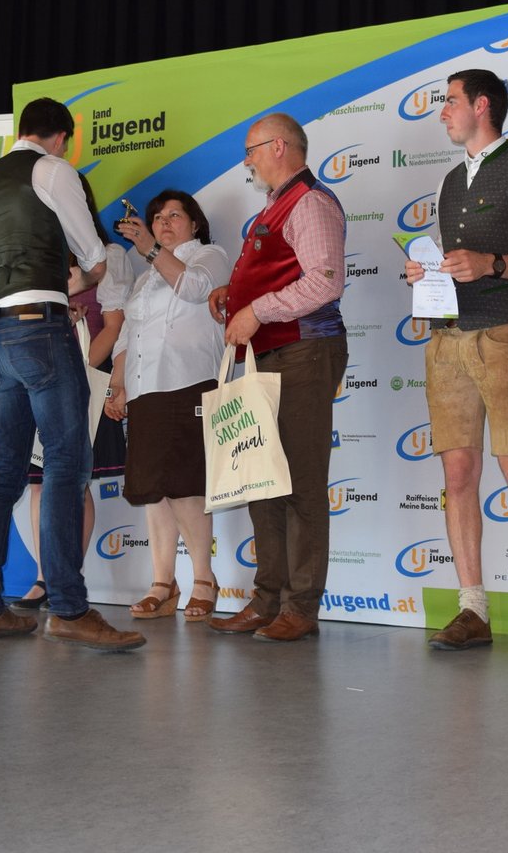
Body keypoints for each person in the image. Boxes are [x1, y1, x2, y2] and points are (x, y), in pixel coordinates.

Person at [0, 97, 145, 651]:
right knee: (66, 464)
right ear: (62, 137)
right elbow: (96, 259)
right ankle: (68, 608)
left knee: (4, 471)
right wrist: (69, 282)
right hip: (42, 325)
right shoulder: (53, 171)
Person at [402, 69, 508, 652]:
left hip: (502, 337)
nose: (442, 112)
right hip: (447, 339)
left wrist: (492, 264)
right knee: (457, 476)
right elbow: (459, 264)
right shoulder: (449, 181)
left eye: (449, 101)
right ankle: (472, 608)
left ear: (481, 106)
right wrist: (428, 273)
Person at [206, 113, 349, 642]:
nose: (246, 160)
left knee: (300, 482)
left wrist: (256, 310)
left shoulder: (310, 202)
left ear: (279, 147)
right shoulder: (275, 205)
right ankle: (267, 601)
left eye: (251, 149)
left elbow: (325, 282)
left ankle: (300, 607)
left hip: (304, 352)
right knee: (262, 481)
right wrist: (234, 294)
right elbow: (284, 273)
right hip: (271, 356)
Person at [11, 172, 133, 612]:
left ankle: (67, 580)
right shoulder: (38, 257)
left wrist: (80, 371)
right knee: (39, 485)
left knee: (75, 484)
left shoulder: (110, 255)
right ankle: (45, 578)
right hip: (39, 382)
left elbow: (115, 325)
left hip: (83, 382)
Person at [107, 190, 230, 621]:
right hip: (145, 388)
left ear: (194, 224)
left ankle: (204, 580)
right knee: (153, 490)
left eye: (175, 215)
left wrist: (150, 249)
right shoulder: (145, 278)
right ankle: (163, 583)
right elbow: (127, 335)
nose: (164, 222)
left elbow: (195, 289)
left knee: (184, 486)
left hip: (187, 382)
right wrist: (117, 385)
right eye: (158, 216)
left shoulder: (210, 256)